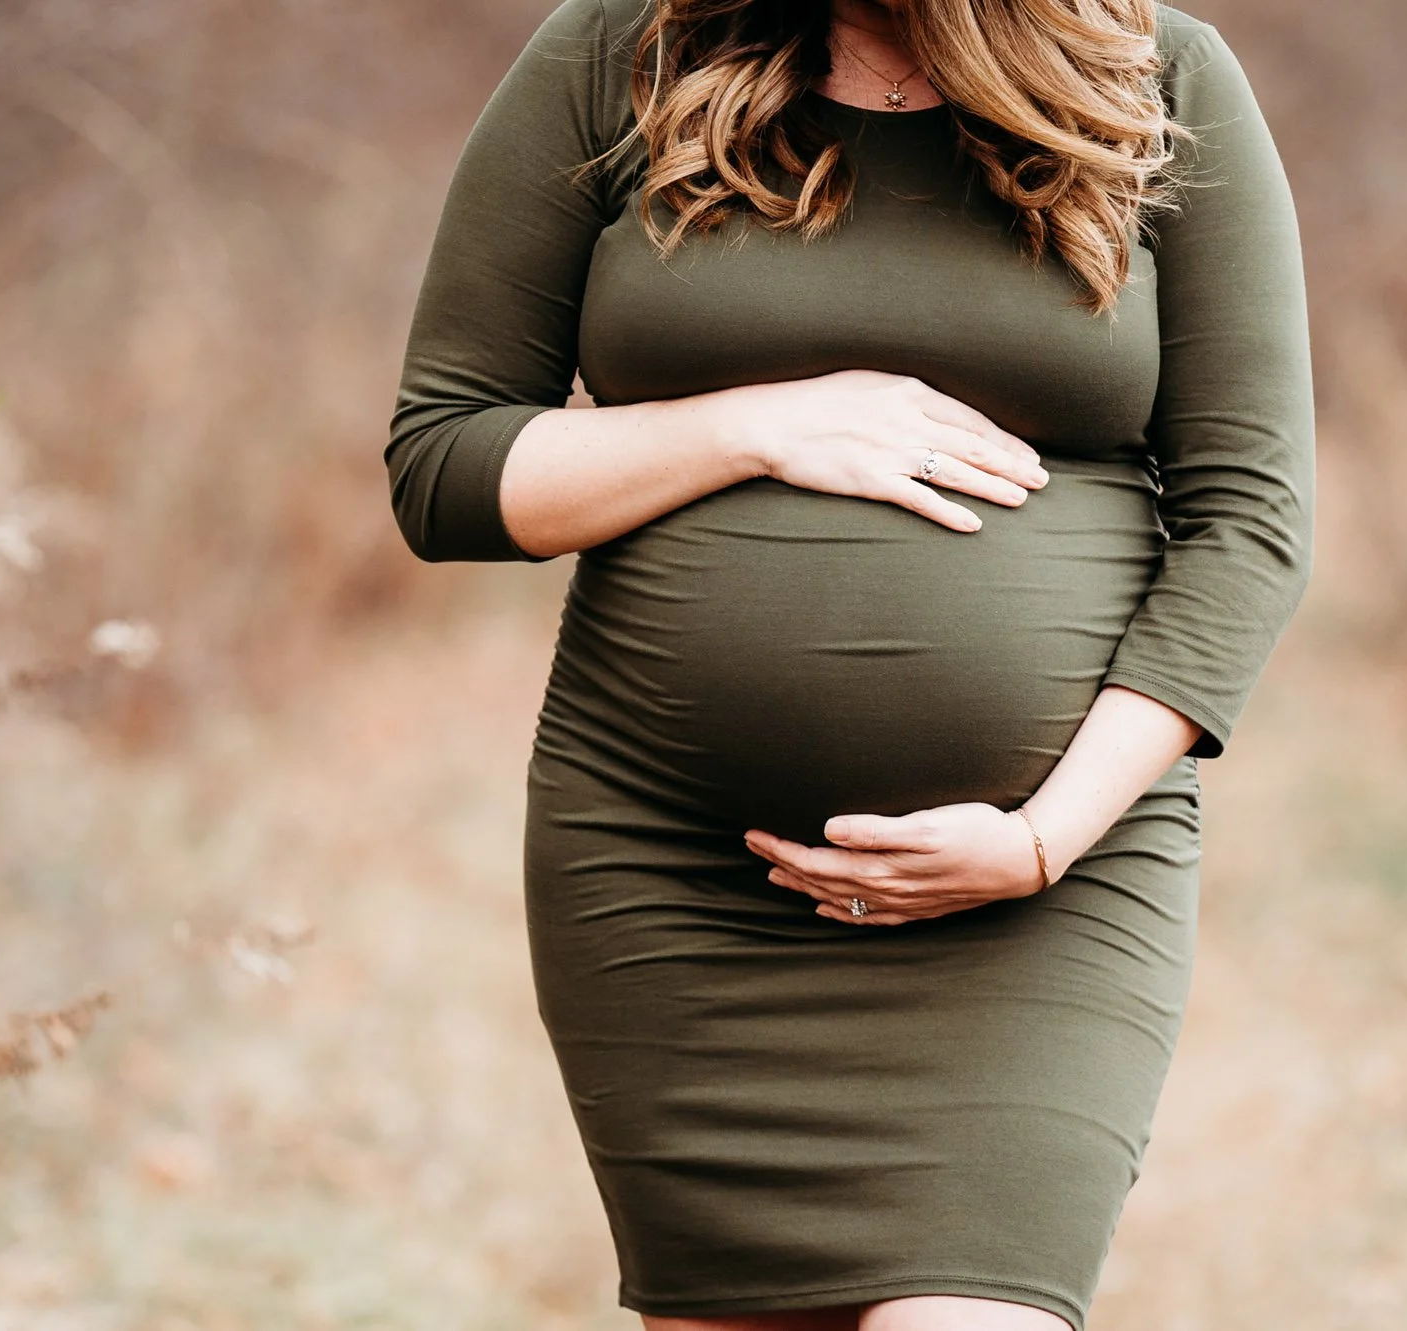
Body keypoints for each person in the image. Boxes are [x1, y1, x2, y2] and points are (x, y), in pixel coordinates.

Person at [384, 0, 1311, 1326]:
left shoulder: (1155, 76)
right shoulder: (623, 54)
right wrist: (748, 425)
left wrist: (1044, 836)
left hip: (1041, 894)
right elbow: (443, 466)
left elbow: (1254, 524)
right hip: (674, 877)